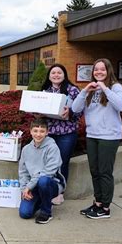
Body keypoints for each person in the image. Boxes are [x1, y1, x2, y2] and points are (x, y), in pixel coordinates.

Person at [72, 58, 122, 219]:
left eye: (102, 69)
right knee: (95, 171)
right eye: (96, 70)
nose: (99, 72)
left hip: (109, 137)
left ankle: (105, 207)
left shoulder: (115, 87)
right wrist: (85, 91)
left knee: (105, 172)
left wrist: (104, 88)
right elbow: (75, 109)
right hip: (92, 135)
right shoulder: (91, 90)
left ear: (108, 70)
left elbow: (121, 105)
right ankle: (98, 203)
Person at [40, 64, 82, 205]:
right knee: (49, 162)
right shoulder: (45, 91)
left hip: (67, 133)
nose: (56, 75)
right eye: (53, 72)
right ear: (49, 75)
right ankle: (48, 190)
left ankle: (59, 192)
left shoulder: (73, 90)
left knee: (62, 162)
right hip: (49, 132)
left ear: (64, 75)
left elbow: (81, 110)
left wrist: (70, 112)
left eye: (59, 72)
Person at [18, 118, 65, 224]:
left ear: (47, 132)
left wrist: (29, 186)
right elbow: (23, 172)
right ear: (30, 131)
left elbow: (48, 172)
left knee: (43, 180)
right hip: (33, 185)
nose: (38, 134)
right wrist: (24, 189)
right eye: (35, 131)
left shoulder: (52, 148)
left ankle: (46, 212)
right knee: (25, 213)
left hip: (52, 183)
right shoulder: (26, 149)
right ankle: (44, 200)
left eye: (42, 131)